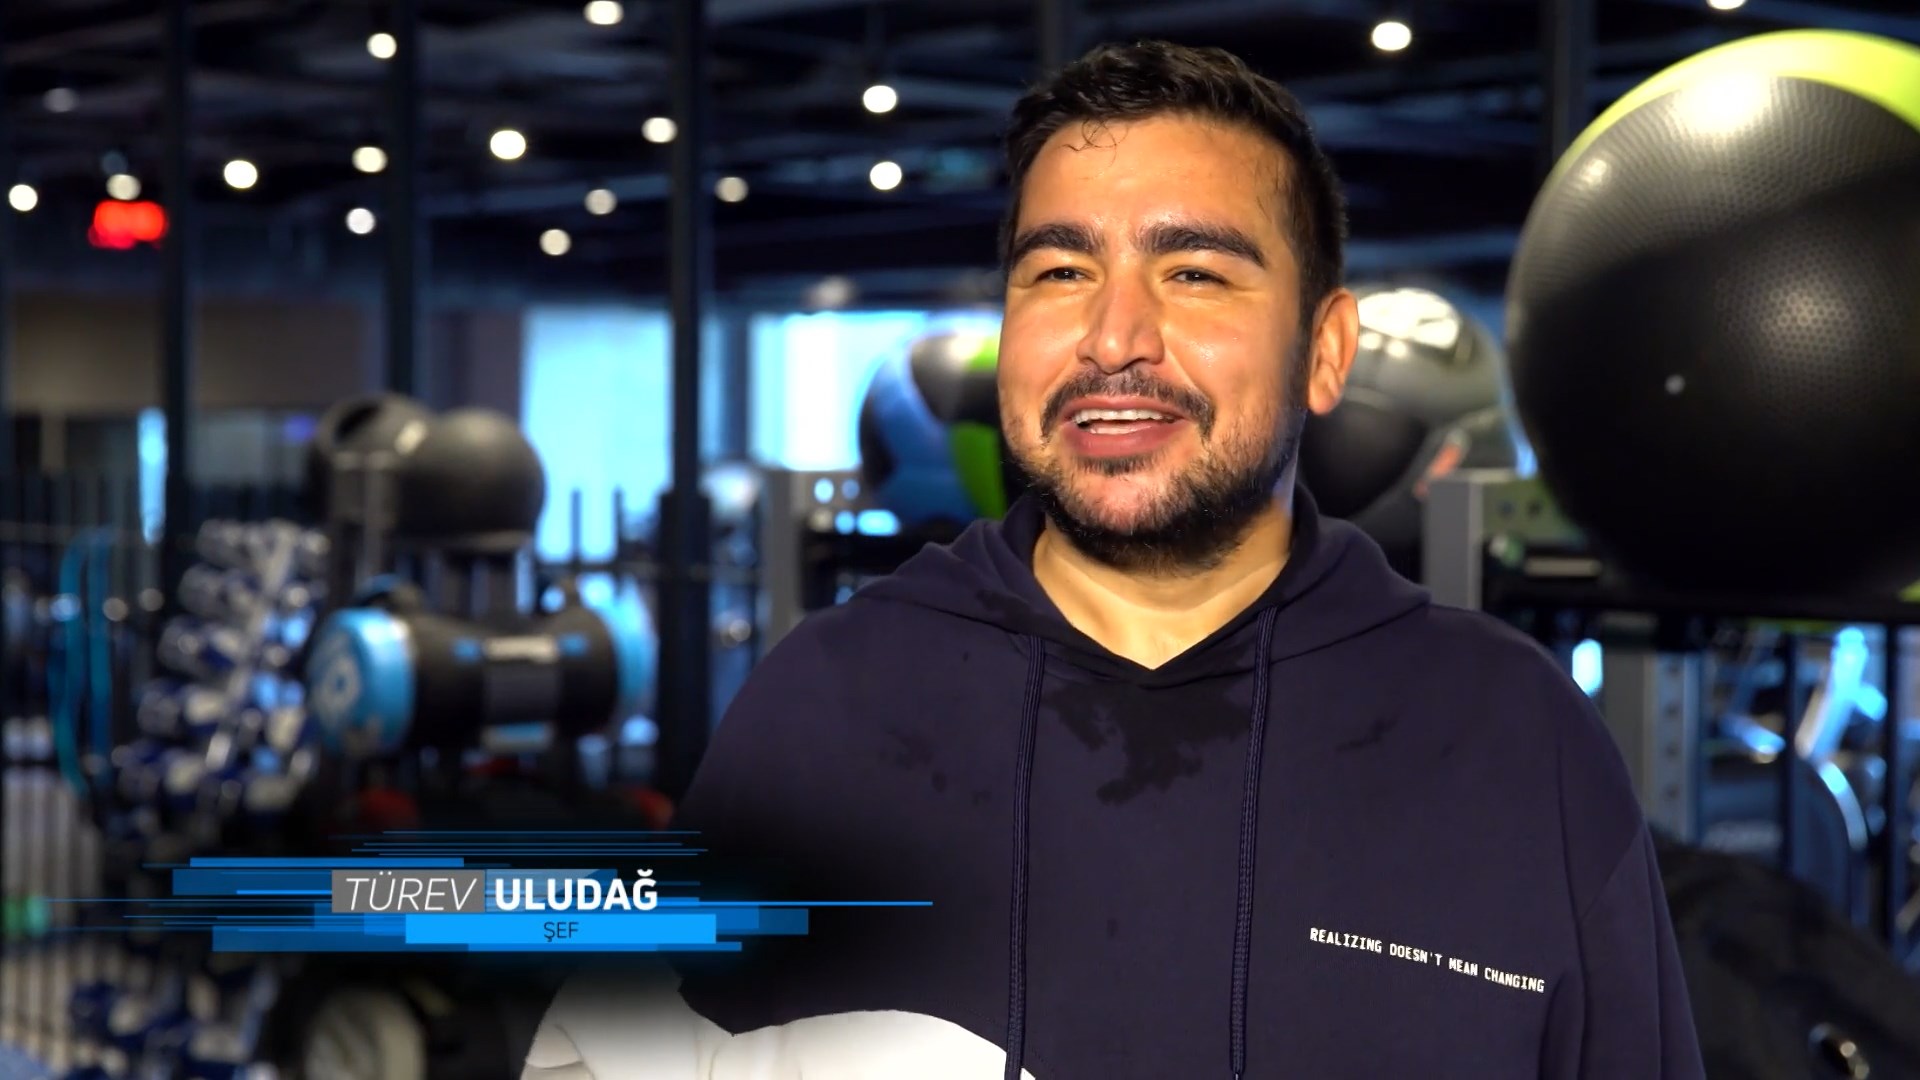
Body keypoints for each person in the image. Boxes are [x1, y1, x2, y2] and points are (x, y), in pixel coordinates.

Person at [521, 40, 1704, 1079]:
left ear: (1324, 351)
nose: (1113, 338)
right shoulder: (825, 705)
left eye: (1194, 272)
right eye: (1060, 271)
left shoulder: (1515, 740)